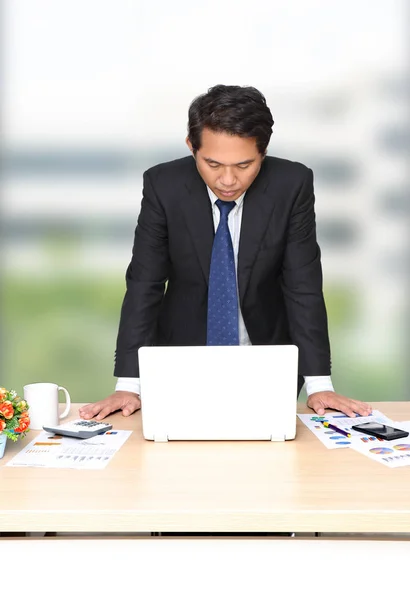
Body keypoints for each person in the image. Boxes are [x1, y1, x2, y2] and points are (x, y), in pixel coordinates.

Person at [80, 84, 372, 422]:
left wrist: (319, 383)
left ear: (263, 151)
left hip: (266, 361)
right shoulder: (163, 185)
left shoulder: (291, 185)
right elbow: (145, 283)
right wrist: (129, 384)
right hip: (181, 359)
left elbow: (302, 285)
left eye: (245, 164)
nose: (229, 180)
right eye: (213, 164)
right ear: (192, 147)